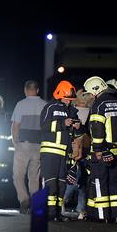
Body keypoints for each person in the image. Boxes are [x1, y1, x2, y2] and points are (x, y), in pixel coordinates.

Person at [84, 76, 117, 223]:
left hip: (103, 153)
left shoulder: (99, 105)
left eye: (90, 94)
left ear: (95, 91)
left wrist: (99, 149)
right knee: (115, 183)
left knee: (100, 183)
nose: (90, 97)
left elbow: (97, 131)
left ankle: (103, 216)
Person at [40, 80, 79, 221]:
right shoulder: (50, 107)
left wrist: (77, 126)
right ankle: (50, 213)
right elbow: (43, 126)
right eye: (67, 99)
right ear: (60, 95)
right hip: (50, 152)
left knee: (62, 184)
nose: (69, 102)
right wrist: (63, 123)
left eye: (71, 100)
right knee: (51, 183)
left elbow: (78, 132)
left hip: (64, 153)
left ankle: (57, 212)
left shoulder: (71, 110)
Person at [10, 80, 47, 213]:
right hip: (39, 146)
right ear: (37, 90)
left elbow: (15, 125)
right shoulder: (45, 105)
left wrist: (15, 142)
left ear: (25, 90)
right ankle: (35, 203)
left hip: (23, 145)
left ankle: (24, 198)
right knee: (34, 177)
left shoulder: (21, 104)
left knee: (18, 175)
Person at [63, 89, 92, 219]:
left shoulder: (72, 110)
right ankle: (80, 208)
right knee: (80, 181)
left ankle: (65, 203)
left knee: (73, 178)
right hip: (84, 150)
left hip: (73, 150)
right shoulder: (90, 112)